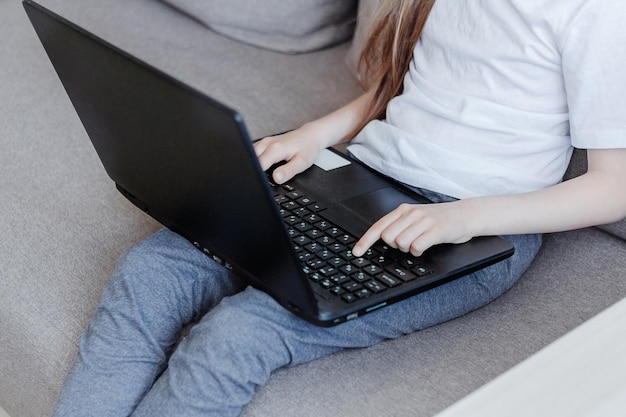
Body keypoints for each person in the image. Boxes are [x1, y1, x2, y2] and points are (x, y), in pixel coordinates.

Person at [53, 1, 626, 416]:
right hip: (360, 177)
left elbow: (613, 188)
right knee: (151, 271)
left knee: (239, 333)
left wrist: (465, 217)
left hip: (475, 226)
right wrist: (314, 134)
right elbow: (405, 87)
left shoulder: (597, 14)